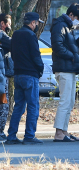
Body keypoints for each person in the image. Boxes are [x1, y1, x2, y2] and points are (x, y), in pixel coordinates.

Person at [50, 3, 79, 142]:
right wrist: (72, 56)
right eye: (77, 18)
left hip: (69, 68)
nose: (78, 22)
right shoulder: (61, 25)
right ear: (71, 15)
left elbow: (72, 47)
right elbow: (57, 46)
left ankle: (63, 130)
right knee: (65, 101)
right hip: (64, 68)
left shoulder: (68, 27)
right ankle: (59, 133)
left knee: (70, 101)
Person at [5, 12, 44, 145]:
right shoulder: (31, 35)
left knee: (18, 106)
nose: (37, 25)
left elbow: (13, 54)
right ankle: (29, 135)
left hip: (18, 74)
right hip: (30, 75)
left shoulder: (16, 34)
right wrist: (40, 68)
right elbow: (36, 55)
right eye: (37, 23)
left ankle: (11, 135)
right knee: (33, 106)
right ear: (33, 23)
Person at [0, 14, 12, 142]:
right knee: (3, 105)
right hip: (2, 78)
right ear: (2, 23)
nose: (10, 26)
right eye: (8, 23)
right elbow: (14, 44)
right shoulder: (3, 36)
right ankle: (0, 132)